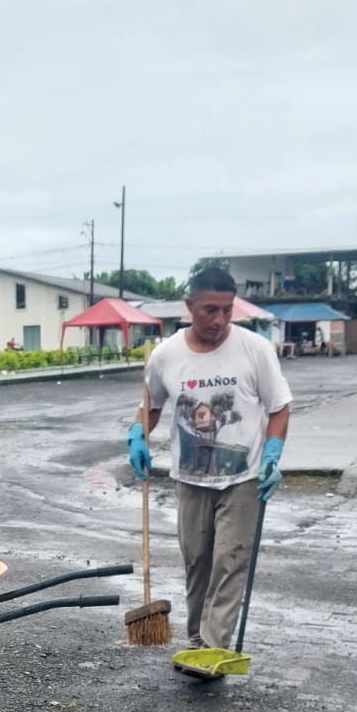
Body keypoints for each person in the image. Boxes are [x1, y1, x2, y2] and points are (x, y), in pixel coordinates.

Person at [128, 266, 292, 657]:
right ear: (189, 306)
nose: (219, 319)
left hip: (244, 477)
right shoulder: (166, 355)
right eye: (210, 310)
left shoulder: (255, 349)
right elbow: (150, 405)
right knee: (197, 562)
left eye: (227, 310)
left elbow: (279, 407)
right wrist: (137, 434)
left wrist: (272, 452)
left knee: (229, 560)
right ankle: (196, 640)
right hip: (190, 478)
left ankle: (213, 647)